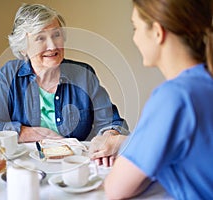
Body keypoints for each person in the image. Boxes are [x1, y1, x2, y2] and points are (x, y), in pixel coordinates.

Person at [89, 0, 213, 199]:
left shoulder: (174, 97)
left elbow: (116, 189)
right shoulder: (203, 82)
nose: (135, 37)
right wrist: (122, 142)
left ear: (157, 32)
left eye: (135, 27)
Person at [0, 4, 129, 143]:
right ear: (23, 48)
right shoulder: (9, 74)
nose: (52, 45)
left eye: (56, 34)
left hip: (73, 162)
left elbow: (112, 122)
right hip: (26, 165)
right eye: (40, 38)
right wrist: (32, 133)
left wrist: (110, 136)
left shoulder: (84, 74)